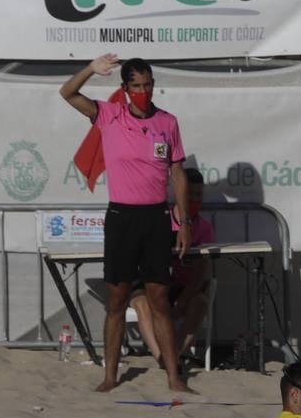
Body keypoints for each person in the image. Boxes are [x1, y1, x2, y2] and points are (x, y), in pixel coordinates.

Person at [60, 53, 194, 393]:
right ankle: (109, 376)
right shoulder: (110, 115)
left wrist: (185, 220)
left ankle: (174, 377)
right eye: (136, 86)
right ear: (125, 88)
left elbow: (177, 172)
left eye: (148, 85)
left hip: (156, 218)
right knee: (117, 299)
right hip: (122, 217)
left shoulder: (168, 122)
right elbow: (68, 93)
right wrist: (90, 69)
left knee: (160, 299)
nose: (143, 91)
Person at [129, 167, 215, 369]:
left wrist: (182, 303)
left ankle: (176, 354)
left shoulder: (205, 228)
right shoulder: (160, 219)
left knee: (200, 302)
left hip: (183, 287)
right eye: (190, 194)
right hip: (156, 284)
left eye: (199, 195)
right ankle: (161, 357)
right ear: (179, 193)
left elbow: (201, 272)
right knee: (141, 301)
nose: (195, 199)